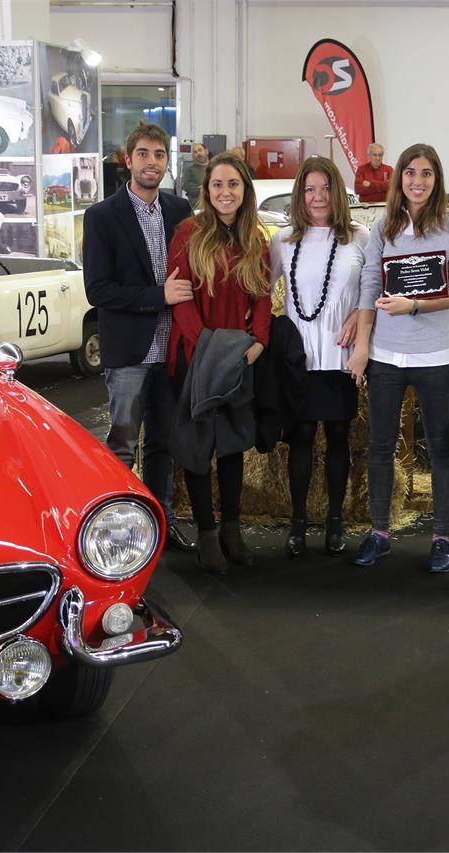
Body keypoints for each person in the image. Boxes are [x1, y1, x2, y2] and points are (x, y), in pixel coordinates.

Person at [348, 143, 449, 573]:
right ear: (398, 177)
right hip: (385, 354)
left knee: (439, 448)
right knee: (380, 446)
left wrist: (416, 306)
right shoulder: (382, 225)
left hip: (436, 355)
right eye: (410, 172)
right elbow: (369, 286)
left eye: (426, 173)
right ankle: (381, 532)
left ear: (437, 179)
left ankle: (440, 537)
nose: (417, 181)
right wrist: (362, 346)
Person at [83, 123, 197, 552]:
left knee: (163, 446)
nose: (152, 162)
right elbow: (99, 290)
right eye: (144, 154)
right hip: (130, 351)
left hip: (172, 350)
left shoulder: (179, 209)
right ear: (127, 159)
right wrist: (158, 296)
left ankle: (161, 526)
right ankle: (114, 535)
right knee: (123, 445)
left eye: (160, 155)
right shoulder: (101, 217)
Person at [167, 151, 272, 574]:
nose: (225, 193)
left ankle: (231, 529)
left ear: (245, 190)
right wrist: (203, 346)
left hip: (237, 356)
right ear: (206, 191)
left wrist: (260, 342)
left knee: (230, 446)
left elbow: (262, 296)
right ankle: (206, 534)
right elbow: (179, 297)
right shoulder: (188, 234)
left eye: (233, 185)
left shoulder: (255, 239)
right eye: (217, 185)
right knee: (197, 448)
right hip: (196, 356)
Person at [269, 157, 368, 558]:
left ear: (337, 192)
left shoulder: (360, 237)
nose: (318, 197)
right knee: (303, 438)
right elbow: (259, 287)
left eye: (325, 189)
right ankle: (296, 524)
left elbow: (373, 288)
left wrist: (360, 317)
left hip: (342, 355)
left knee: (340, 436)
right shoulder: (282, 239)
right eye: (310, 189)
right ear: (299, 194)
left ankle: (335, 522)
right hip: (300, 358)